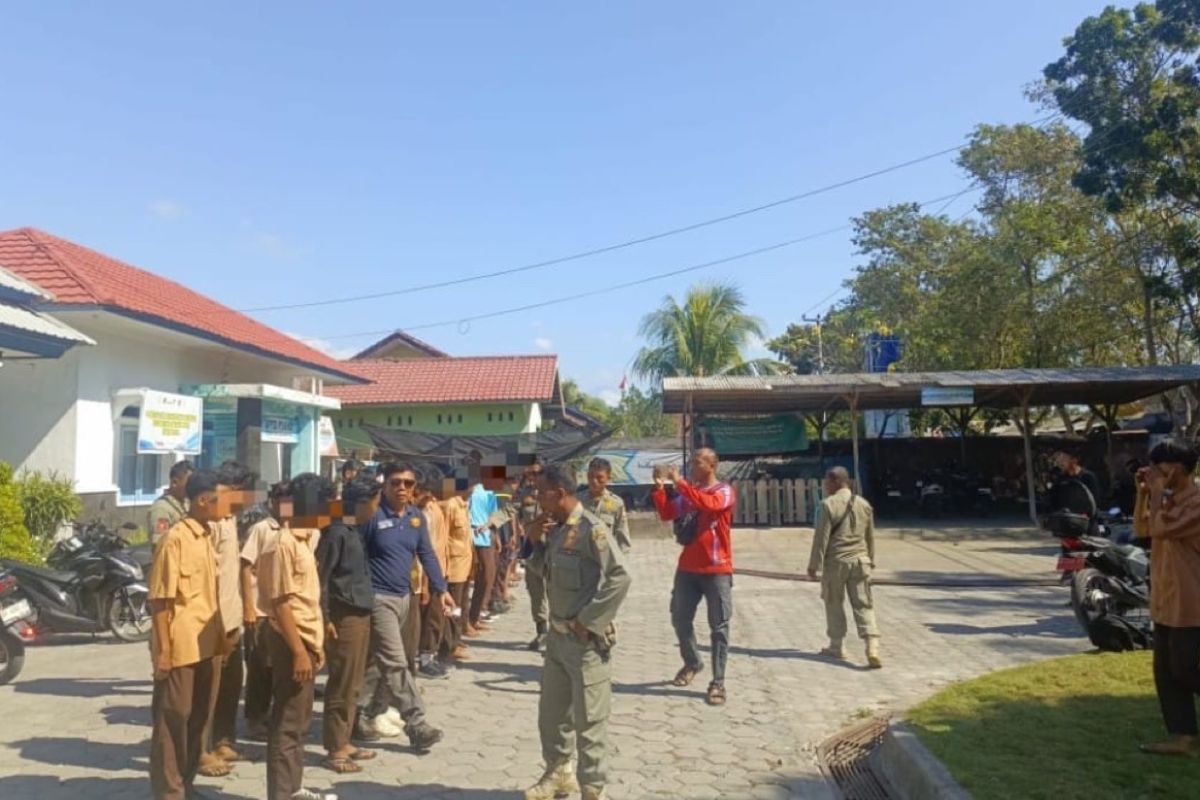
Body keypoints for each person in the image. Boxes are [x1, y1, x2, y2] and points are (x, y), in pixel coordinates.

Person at [524, 464, 631, 800]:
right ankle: (558, 774)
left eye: (542, 493)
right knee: (552, 716)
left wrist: (589, 621)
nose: (538, 500)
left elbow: (620, 576)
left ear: (558, 492)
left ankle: (591, 790)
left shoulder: (591, 529)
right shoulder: (555, 529)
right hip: (557, 640)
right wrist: (533, 541)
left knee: (590, 723)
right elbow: (543, 571)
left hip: (585, 643)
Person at [357, 462, 456, 750]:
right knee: (396, 662)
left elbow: (426, 552)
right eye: (396, 482)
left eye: (408, 483)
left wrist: (440, 589)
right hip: (378, 598)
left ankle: (362, 713)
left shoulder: (415, 518)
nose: (402, 488)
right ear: (384, 485)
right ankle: (416, 722)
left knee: (380, 664)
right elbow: (356, 556)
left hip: (404, 597)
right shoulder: (373, 516)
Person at [148, 470, 226, 800]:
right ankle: (170, 791)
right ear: (204, 501)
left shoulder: (206, 535)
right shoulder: (175, 539)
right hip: (180, 646)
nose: (227, 506)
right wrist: (163, 651)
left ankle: (187, 783)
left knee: (199, 719)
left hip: (208, 643)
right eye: (223, 499)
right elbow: (160, 599)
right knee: (173, 721)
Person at [651, 449, 736, 706]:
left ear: (712, 465)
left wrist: (680, 484)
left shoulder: (723, 491)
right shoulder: (689, 494)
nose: (692, 465)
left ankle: (718, 681)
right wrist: (660, 488)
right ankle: (692, 662)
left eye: (698, 462)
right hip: (687, 568)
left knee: (719, 626)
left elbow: (708, 504)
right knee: (679, 618)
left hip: (716, 569)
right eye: (692, 461)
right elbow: (667, 513)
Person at [266, 472, 332, 800]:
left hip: (307, 638)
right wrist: (299, 652)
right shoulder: (283, 543)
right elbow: (279, 602)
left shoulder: (308, 539)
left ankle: (294, 789)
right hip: (291, 641)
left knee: (299, 722)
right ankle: (282, 793)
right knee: (288, 723)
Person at [1134, 440, 1200, 757]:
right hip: (1165, 599)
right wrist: (1143, 494)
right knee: (1164, 670)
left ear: (1174, 469)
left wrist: (1158, 494)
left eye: (1157, 468)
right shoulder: (1168, 501)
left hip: (1191, 601)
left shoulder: (1196, 503)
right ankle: (1183, 737)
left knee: (1184, 667)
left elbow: (1162, 530)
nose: (1152, 473)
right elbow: (1143, 528)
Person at [315, 475, 379, 773]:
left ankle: (346, 738)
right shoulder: (336, 533)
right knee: (341, 683)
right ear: (364, 502)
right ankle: (335, 749)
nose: (377, 508)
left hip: (361, 613)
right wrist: (325, 618)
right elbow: (323, 579)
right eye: (376, 502)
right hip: (344, 616)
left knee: (354, 682)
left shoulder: (354, 530)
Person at [198, 461, 254, 778]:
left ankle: (223, 741)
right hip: (213, 621)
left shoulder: (230, 520)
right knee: (209, 690)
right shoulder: (211, 523)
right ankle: (201, 750)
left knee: (231, 686)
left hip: (233, 620)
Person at [807, 466, 882, 669]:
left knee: (834, 603)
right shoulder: (864, 504)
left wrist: (814, 565)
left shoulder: (827, 505)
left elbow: (820, 538)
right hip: (861, 562)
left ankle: (837, 645)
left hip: (836, 564)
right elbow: (870, 537)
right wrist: (870, 560)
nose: (824, 486)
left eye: (826, 482)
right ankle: (872, 644)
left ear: (835, 482)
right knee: (863, 604)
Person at [240, 480, 290, 739]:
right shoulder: (261, 529)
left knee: (278, 667)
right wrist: (248, 607)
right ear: (272, 503)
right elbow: (245, 566)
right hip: (260, 610)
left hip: (285, 612)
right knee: (260, 667)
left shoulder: (296, 530)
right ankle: (255, 718)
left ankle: (275, 715)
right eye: (282, 501)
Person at [416, 485, 452, 679]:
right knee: (429, 620)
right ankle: (424, 660)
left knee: (435, 618)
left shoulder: (435, 508)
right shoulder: (421, 513)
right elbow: (421, 552)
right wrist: (424, 585)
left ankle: (428, 656)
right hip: (425, 576)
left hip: (435, 571)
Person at [440, 485, 474, 663]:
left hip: (464, 564)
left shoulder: (464, 505)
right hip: (453, 566)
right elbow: (443, 537)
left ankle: (456, 640)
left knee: (459, 606)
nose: (475, 489)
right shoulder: (449, 505)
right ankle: (448, 646)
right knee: (452, 609)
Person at [518, 464, 549, 651]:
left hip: (551, 547)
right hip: (532, 548)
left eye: (536, 473)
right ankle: (542, 631)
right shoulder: (524, 494)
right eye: (529, 473)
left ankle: (560, 632)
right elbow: (510, 511)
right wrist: (492, 523)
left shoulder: (552, 491)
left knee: (555, 590)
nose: (532, 476)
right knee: (535, 590)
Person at [581, 458, 632, 554]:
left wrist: (621, 563)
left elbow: (622, 536)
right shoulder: (577, 501)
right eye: (591, 476)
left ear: (608, 478)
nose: (594, 481)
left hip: (605, 559)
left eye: (599, 478)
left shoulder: (616, 504)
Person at [467, 480, 499, 632]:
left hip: (484, 537)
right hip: (467, 535)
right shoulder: (465, 486)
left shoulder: (490, 489)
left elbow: (493, 514)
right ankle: (464, 621)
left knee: (486, 577)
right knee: (466, 580)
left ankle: (475, 615)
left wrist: (495, 536)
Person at [149, 460, 194, 547]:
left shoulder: (187, 503)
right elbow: (160, 542)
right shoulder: (161, 508)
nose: (191, 487)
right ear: (174, 482)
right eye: (188, 483)